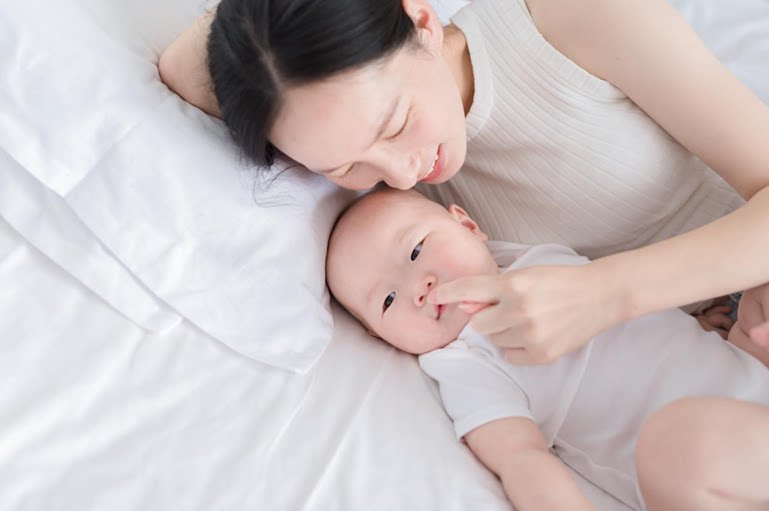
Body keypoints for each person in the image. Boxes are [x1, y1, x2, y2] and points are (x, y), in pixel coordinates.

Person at [159, 0, 769, 365]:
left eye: (396, 124)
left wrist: (606, 293)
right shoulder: (401, 212)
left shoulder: (567, 18)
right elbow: (180, 69)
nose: (399, 173)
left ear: (422, 19)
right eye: (344, 167)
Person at [325, 187, 769, 511]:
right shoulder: (464, 363)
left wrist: (696, 328)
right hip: (713, 467)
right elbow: (521, 458)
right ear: (384, 338)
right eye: (387, 301)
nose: (416, 288)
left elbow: (632, 322)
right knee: (680, 444)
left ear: (468, 225)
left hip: (750, 384)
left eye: (416, 250)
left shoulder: (536, 262)